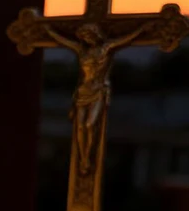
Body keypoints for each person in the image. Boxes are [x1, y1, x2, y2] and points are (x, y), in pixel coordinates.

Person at [45, 22, 148, 175]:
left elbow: (125, 39)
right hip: (83, 91)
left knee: (89, 124)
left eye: (88, 35)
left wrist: (141, 30)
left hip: (98, 90)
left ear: (95, 35)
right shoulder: (82, 51)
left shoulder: (105, 49)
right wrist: (49, 31)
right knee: (79, 126)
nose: (86, 39)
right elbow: (64, 41)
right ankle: (83, 158)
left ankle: (88, 156)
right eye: (83, 36)